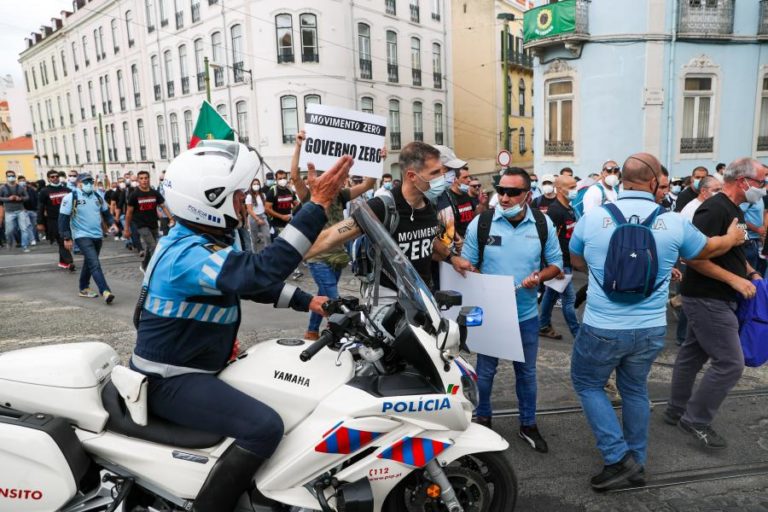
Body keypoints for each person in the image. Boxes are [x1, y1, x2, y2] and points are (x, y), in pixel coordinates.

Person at [130, 140, 352, 512]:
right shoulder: (187, 255)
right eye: (237, 197)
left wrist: (307, 301)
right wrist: (316, 206)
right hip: (170, 379)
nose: (243, 204)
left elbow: (244, 282)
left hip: (194, 368)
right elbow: (258, 273)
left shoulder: (199, 240)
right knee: (265, 426)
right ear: (209, 200)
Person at [568, 153, 746, 490]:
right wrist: (733, 239)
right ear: (653, 183)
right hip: (650, 327)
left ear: (620, 179)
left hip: (603, 325)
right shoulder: (674, 222)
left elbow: (576, 259)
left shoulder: (592, 218)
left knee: (588, 384)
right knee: (634, 389)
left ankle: (618, 458)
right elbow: (705, 250)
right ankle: (638, 461)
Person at [450, 167, 563, 453]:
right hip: (491, 313)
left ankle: (528, 424)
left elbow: (556, 265)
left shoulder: (542, 223)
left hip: (525, 314)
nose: (504, 197)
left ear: (527, 194)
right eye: (501, 190)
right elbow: (467, 264)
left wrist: (539, 277)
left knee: (526, 373)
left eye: (512, 192)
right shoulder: (482, 223)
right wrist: (473, 274)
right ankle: (483, 421)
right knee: (485, 372)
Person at [666, 158, 765, 450]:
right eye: (761, 181)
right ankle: (695, 419)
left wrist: (749, 271)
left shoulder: (733, 210)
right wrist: (735, 281)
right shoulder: (713, 209)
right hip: (708, 297)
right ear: (743, 181)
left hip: (717, 296)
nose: (764, 187)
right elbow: (694, 257)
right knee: (731, 363)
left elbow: (732, 251)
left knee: (692, 355)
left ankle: (676, 410)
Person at [305, 141, 445, 296]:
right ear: (412, 176)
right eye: (435, 173)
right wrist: (284, 257)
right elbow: (329, 238)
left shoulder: (430, 205)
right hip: (389, 300)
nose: (442, 178)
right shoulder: (381, 207)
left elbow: (426, 242)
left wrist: (453, 258)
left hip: (423, 297)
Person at [290, 130, 375, 340]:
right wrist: (298, 147)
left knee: (322, 295)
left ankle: (311, 331)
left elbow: (367, 185)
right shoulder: (309, 196)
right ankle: (343, 336)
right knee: (334, 298)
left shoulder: (341, 195)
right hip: (318, 256)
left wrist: (376, 160)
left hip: (337, 256)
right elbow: (294, 177)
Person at [59, 174, 120, 304]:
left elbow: (106, 213)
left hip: (97, 235)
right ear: (79, 183)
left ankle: (83, 288)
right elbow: (63, 219)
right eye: (86, 182)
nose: (89, 184)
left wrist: (112, 224)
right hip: (81, 235)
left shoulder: (98, 196)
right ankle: (105, 291)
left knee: (89, 262)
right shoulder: (71, 197)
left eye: (91, 182)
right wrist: (67, 237)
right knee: (94, 263)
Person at [539, 175, 580, 340]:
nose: (574, 190)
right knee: (569, 299)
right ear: (559, 189)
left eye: (575, 186)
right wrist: (555, 266)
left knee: (551, 294)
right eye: (571, 187)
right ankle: (578, 334)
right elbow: (550, 240)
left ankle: (542, 325)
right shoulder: (555, 211)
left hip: (568, 261)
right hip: (561, 263)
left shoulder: (569, 208)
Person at [124, 170, 174, 272]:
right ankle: (156, 271)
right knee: (153, 247)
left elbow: (163, 206)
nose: (144, 181)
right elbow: (129, 213)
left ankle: (144, 265)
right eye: (141, 178)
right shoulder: (134, 195)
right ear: (138, 180)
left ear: (149, 179)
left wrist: (171, 218)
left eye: (146, 178)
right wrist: (126, 229)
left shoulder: (154, 193)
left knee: (148, 247)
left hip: (153, 224)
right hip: (141, 225)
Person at [37, 169, 75, 270]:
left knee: (64, 240)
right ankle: (70, 262)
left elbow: (74, 204)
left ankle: (62, 262)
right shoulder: (44, 191)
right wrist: (40, 222)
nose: (55, 178)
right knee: (61, 240)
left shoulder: (67, 190)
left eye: (56, 176)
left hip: (67, 219)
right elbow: (40, 207)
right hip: (53, 220)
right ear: (49, 179)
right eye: (52, 177)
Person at [0, 170, 31, 252]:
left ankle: (25, 246)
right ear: (6, 177)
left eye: (13, 175)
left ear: (15, 176)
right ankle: (9, 242)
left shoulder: (20, 187)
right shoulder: (2, 188)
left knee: (24, 229)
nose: (11, 177)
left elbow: (27, 197)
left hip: (20, 210)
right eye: (9, 176)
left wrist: (20, 198)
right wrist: (8, 199)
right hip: (9, 211)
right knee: (9, 231)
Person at [264, 169, 298, 235]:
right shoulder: (273, 191)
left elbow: (296, 203)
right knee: (279, 244)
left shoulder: (290, 190)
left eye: (284, 178)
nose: (282, 180)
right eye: (280, 178)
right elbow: (267, 208)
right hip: (277, 225)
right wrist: (281, 216)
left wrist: (294, 211)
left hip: (289, 224)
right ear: (276, 180)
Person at [740, 190, 765, 272]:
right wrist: (756, 229)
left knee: (759, 270)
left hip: (757, 241)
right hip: (748, 241)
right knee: (750, 272)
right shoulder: (747, 196)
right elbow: (738, 219)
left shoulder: (761, 196)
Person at [245, 177, 271, 253]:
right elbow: (249, 209)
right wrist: (257, 219)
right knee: (254, 239)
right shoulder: (249, 196)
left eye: (257, 184)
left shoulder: (263, 195)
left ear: (260, 185)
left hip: (262, 216)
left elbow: (265, 206)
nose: (256, 185)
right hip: (253, 218)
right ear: (251, 185)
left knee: (267, 236)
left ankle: (268, 253)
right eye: (254, 184)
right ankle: (255, 254)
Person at [18, 176, 39, 245]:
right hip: (24, 210)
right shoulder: (18, 190)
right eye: (20, 181)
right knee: (28, 225)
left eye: (23, 180)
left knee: (34, 225)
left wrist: (37, 208)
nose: (22, 182)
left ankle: (35, 238)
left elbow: (36, 198)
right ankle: (32, 239)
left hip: (33, 210)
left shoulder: (31, 189)